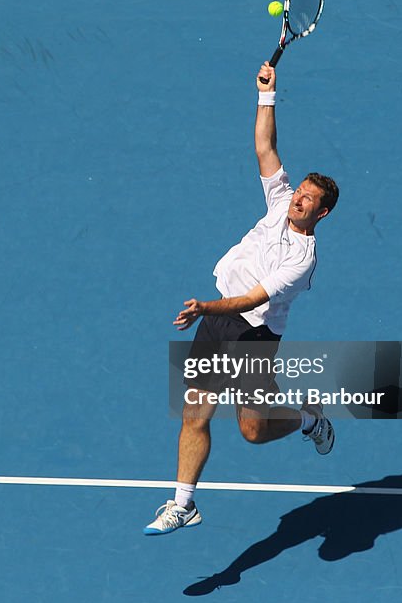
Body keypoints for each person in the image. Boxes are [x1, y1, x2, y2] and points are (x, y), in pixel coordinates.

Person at [144, 63, 340, 535]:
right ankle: (183, 503)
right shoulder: (279, 201)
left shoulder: (303, 260)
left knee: (252, 431)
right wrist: (266, 96)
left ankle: (309, 418)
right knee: (195, 414)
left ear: (322, 212)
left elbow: (252, 298)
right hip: (215, 324)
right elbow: (264, 147)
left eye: (309, 199)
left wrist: (203, 309)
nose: (299, 199)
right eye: (300, 192)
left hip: (252, 336)